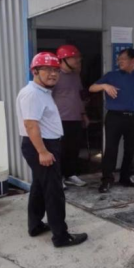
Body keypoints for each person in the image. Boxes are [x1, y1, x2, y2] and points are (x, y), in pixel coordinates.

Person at [17, 52, 88, 248]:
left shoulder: (41, 91)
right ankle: (61, 236)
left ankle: (35, 225)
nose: (53, 74)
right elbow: (31, 125)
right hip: (42, 145)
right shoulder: (33, 94)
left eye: (56, 70)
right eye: (47, 69)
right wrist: (43, 152)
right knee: (54, 191)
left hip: (44, 144)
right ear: (35, 71)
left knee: (39, 187)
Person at [89, 48, 134, 193]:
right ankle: (107, 179)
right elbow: (92, 88)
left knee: (131, 149)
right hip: (114, 117)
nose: (119, 61)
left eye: (123, 59)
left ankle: (126, 177)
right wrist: (104, 85)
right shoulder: (111, 76)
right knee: (110, 149)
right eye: (119, 59)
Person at [52, 44, 90, 188]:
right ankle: (58, 177)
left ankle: (70, 175)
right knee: (60, 150)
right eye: (74, 58)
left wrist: (83, 114)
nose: (78, 60)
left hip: (75, 118)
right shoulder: (54, 75)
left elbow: (78, 96)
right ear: (63, 59)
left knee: (73, 149)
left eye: (78, 58)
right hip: (59, 119)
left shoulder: (75, 76)